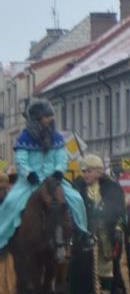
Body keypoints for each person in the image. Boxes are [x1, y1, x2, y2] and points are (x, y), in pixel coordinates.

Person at [0, 98, 88, 253]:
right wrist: (28, 174)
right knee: (10, 203)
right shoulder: (24, 138)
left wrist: (59, 171)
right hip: (29, 182)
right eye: (46, 116)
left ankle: (82, 234)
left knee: (77, 199)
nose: (50, 119)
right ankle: (2, 240)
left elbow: (62, 157)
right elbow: (21, 161)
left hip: (53, 180)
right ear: (36, 118)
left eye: (50, 116)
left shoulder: (57, 138)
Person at [67, 155, 126, 294]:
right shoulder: (76, 189)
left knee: (106, 270)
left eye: (89, 171)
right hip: (83, 236)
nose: (85, 174)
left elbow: (121, 213)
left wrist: (118, 229)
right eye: (83, 171)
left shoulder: (113, 189)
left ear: (99, 171)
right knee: (82, 270)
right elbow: (70, 211)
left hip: (105, 237)